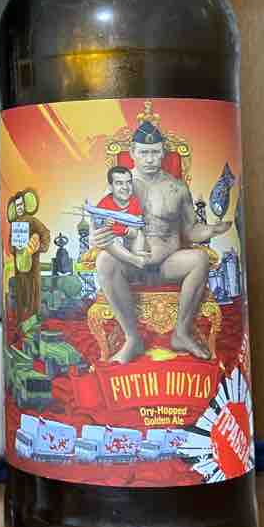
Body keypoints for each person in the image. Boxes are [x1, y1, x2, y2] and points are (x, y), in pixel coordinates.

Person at [92, 120, 231, 364]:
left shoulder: (177, 188)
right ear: (132, 152)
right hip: (132, 265)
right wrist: (97, 236)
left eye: (155, 152)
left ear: (162, 152)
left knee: (199, 259)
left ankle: (181, 333)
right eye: (144, 152)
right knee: (104, 260)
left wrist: (212, 229)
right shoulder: (118, 187)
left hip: (168, 264)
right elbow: (101, 226)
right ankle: (132, 339)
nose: (150, 159)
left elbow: (190, 231)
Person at [8, 189, 50, 325]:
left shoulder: (33, 221)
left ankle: (34, 322)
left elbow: (45, 234)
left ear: (26, 205)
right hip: (19, 267)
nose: (19, 208)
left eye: (21, 205)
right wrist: (15, 248)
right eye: (17, 206)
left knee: (33, 294)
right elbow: (10, 245)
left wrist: (38, 247)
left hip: (32, 267)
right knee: (20, 293)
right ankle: (20, 322)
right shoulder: (14, 225)